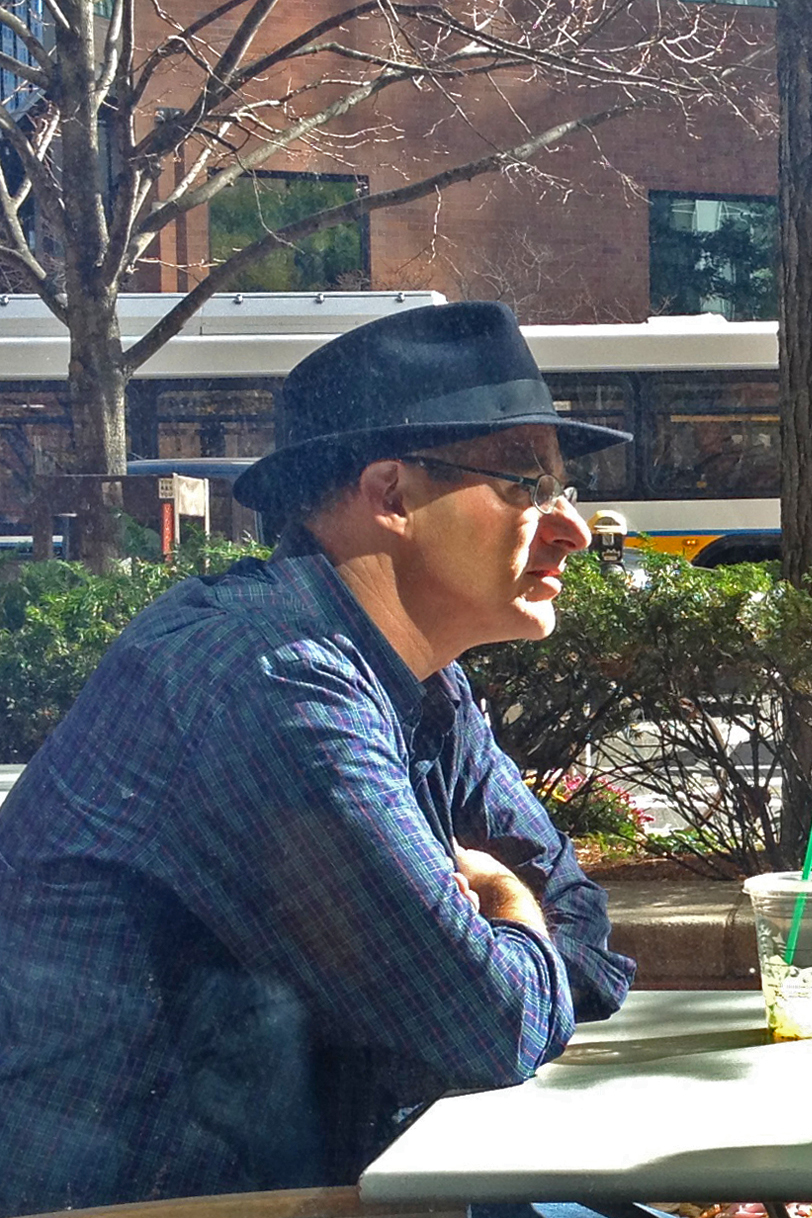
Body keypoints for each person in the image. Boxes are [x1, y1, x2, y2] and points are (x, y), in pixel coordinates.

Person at [0, 302, 637, 1214]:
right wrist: (511, 918)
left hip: (339, 1181)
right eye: (524, 483)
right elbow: (487, 1028)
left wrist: (509, 927)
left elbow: (585, 932)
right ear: (392, 499)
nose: (573, 527)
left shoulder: (418, 676)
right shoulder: (267, 679)